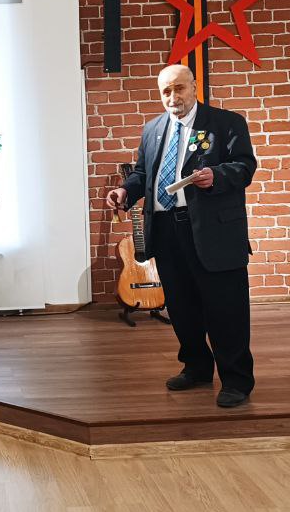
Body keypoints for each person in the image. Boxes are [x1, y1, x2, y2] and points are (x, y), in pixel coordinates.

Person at [105, 64, 258, 408]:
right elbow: (143, 173)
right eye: (166, 91)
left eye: (179, 88)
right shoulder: (152, 129)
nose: (173, 97)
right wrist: (125, 191)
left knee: (226, 309)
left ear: (194, 87)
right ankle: (196, 367)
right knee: (182, 307)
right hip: (166, 230)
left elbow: (244, 166)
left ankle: (236, 380)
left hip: (214, 231)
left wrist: (216, 176)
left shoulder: (226, 123)